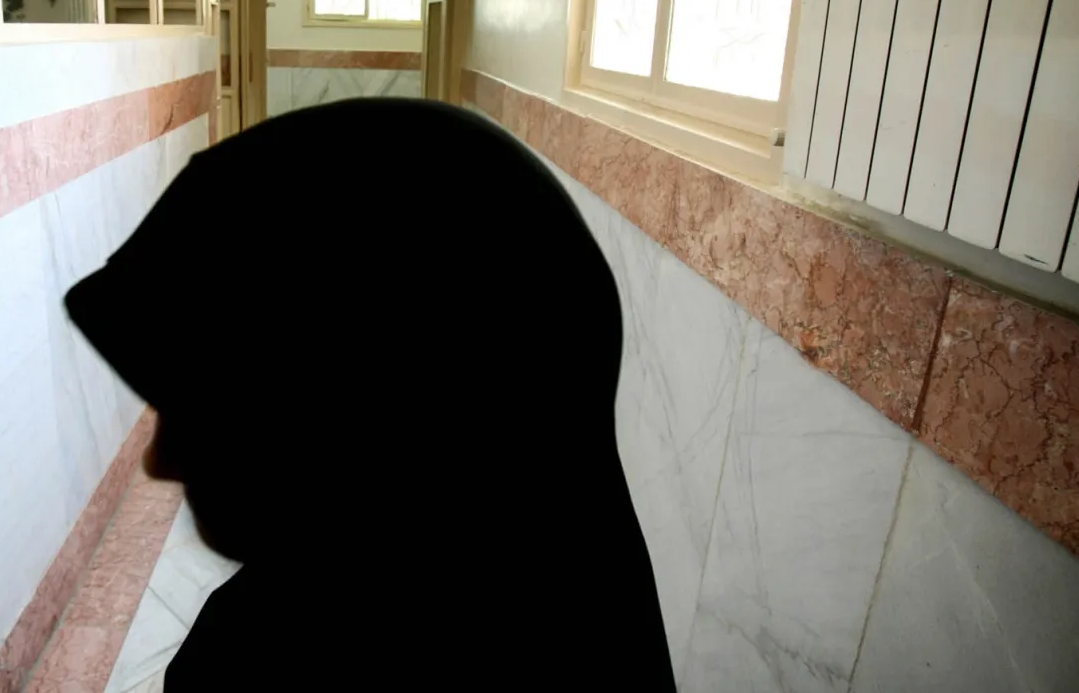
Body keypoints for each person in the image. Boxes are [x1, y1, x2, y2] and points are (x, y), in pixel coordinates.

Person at [66, 98, 674, 690]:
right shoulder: (596, 622)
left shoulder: (262, 658)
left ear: (373, 411)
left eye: (215, 405)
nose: (159, 460)